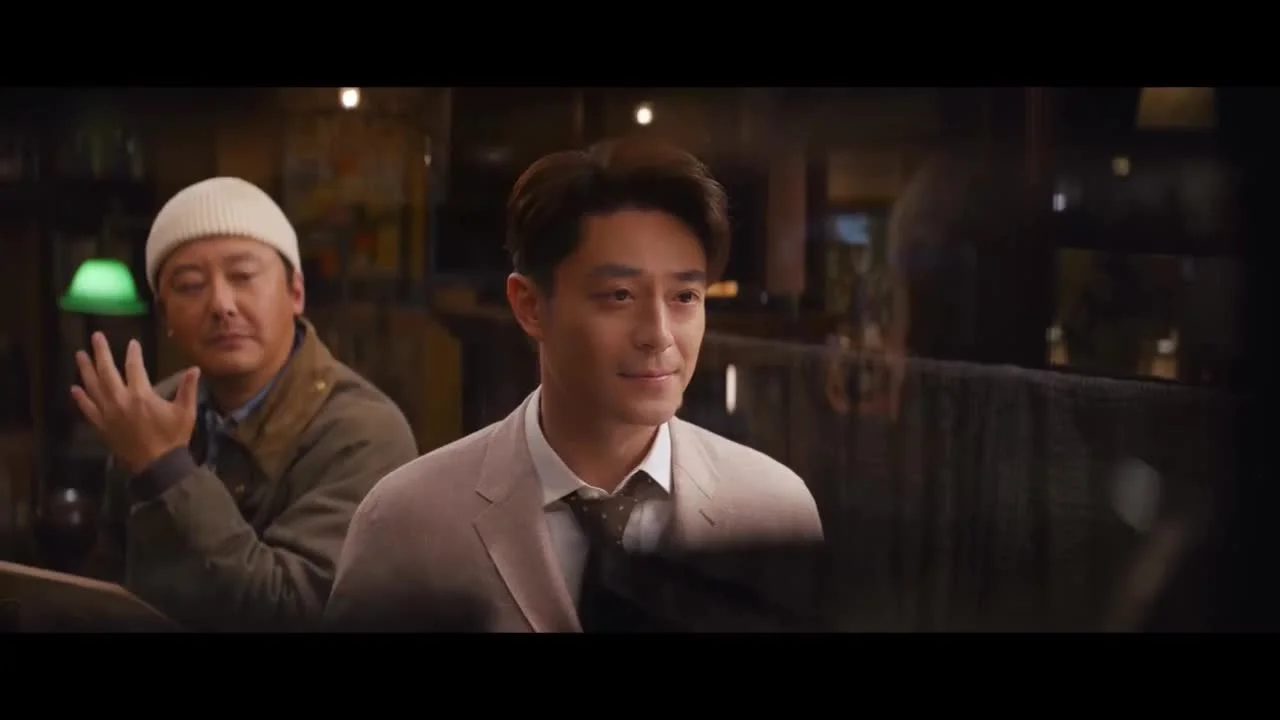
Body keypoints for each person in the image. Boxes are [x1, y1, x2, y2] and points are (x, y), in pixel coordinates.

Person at [325, 139, 823, 632]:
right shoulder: (410, 521)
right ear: (530, 306)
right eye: (620, 295)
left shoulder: (773, 510)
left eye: (685, 296)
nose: (658, 334)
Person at [76, 177, 418, 631]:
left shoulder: (362, 431)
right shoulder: (152, 412)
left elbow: (294, 610)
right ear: (165, 315)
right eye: (190, 285)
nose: (222, 305)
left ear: (296, 293)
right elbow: (111, 587)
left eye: (243, 277)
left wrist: (166, 468)